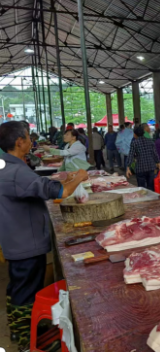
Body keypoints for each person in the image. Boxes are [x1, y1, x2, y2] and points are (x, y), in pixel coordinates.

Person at [0, 121, 88, 349]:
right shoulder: (16, 172)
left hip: (16, 241)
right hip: (26, 245)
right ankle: (26, 341)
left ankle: (25, 331)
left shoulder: (8, 167)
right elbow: (60, 192)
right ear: (20, 142)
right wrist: (79, 176)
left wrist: (64, 179)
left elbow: (40, 184)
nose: (31, 141)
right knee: (25, 293)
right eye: (28, 137)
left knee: (18, 290)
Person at [126, 125, 160, 191]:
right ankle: (151, 200)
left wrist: (128, 168)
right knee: (151, 188)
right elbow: (155, 154)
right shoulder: (150, 141)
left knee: (141, 189)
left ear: (135, 134)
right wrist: (159, 165)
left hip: (140, 169)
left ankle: (144, 200)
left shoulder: (134, 143)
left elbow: (131, 155)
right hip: (151, 167)